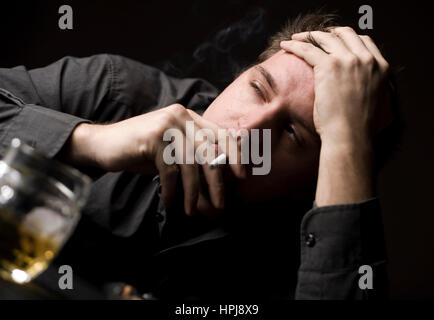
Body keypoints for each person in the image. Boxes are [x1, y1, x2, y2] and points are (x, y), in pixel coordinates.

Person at [0, 13, 394, 299]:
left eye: (292, 133)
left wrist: (345, 138)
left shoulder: (297, 255)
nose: (246, 132)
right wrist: (90, 143)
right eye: (258, 88)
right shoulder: (117, 92)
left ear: (317, 181)